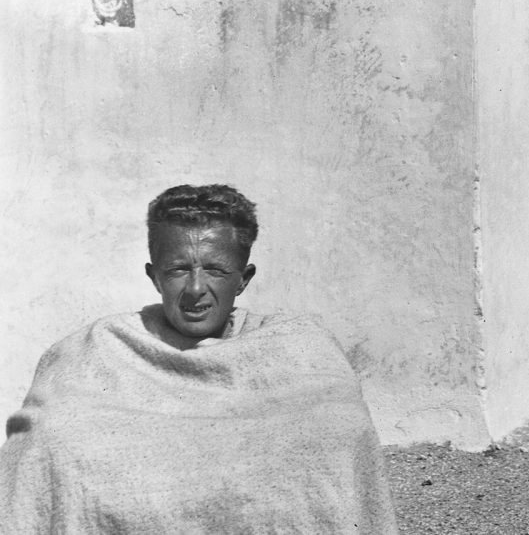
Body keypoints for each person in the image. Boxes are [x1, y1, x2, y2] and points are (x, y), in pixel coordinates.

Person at [0, 184, 400, 534]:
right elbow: (39, 442)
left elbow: (343, 431)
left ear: (243, 279)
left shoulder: (295, 345)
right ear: (154, 276)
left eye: (215, 270)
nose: (195, 289)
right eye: (178, 269)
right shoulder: (99, 347)